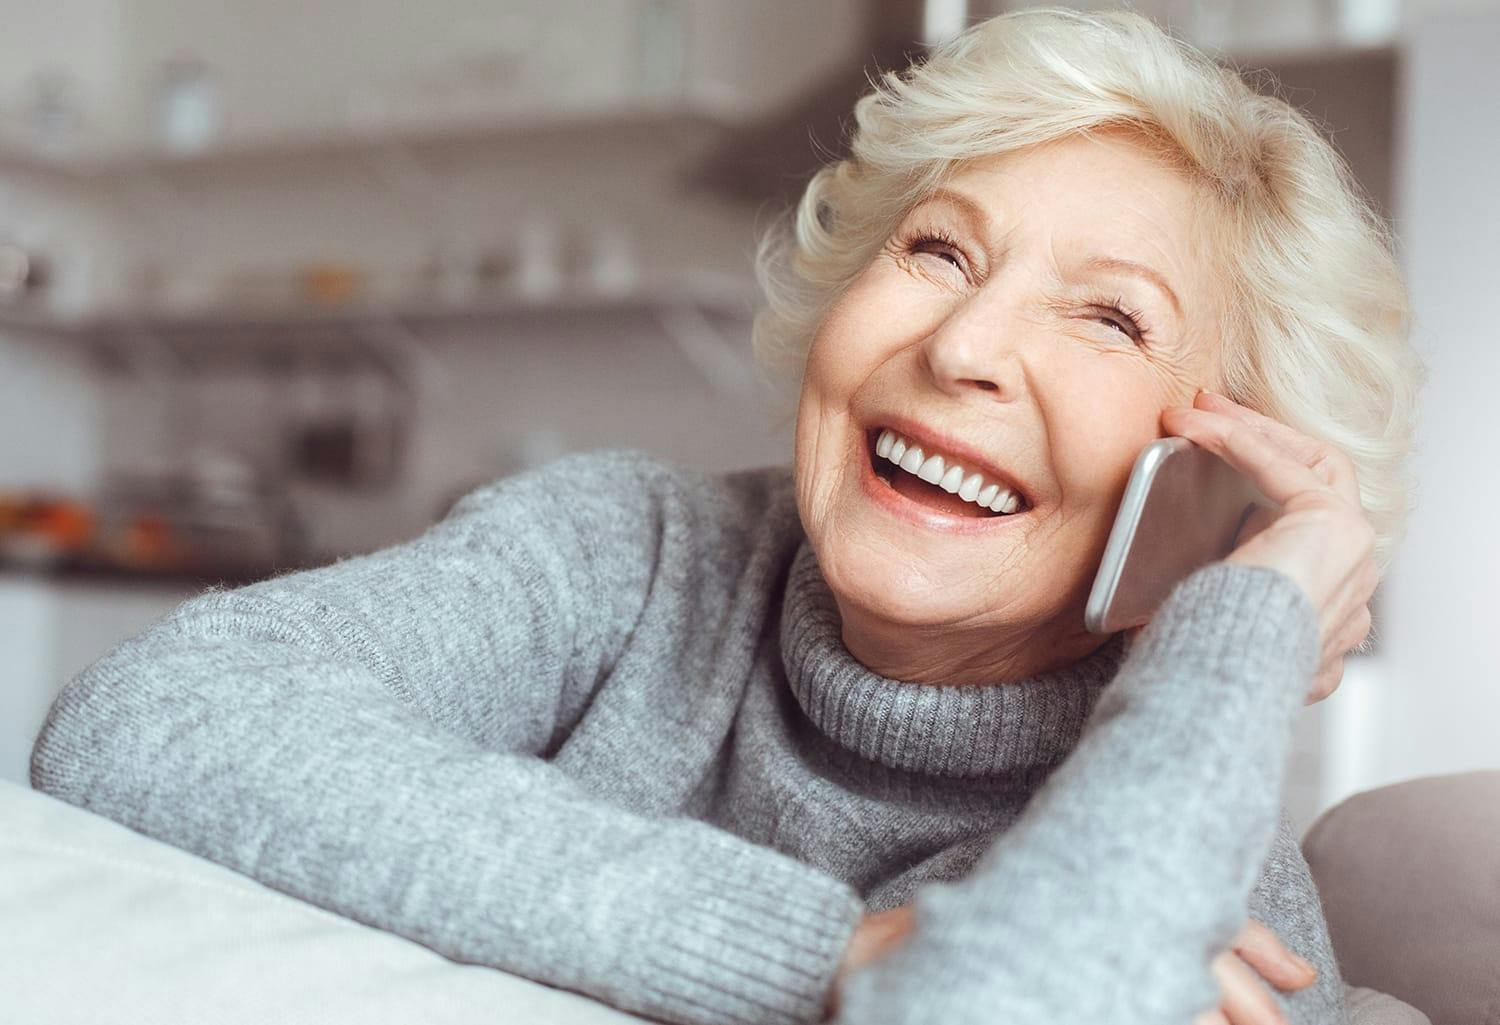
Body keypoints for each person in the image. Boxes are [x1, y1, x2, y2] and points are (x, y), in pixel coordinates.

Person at [30, 8, 1424, 1025]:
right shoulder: (631, 550)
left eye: (1112, 318)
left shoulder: (1189, 839)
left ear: (1221, 483)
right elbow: (154, 711)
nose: (966, 346)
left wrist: (1247, 605)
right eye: (937, 249)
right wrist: (823, 951)